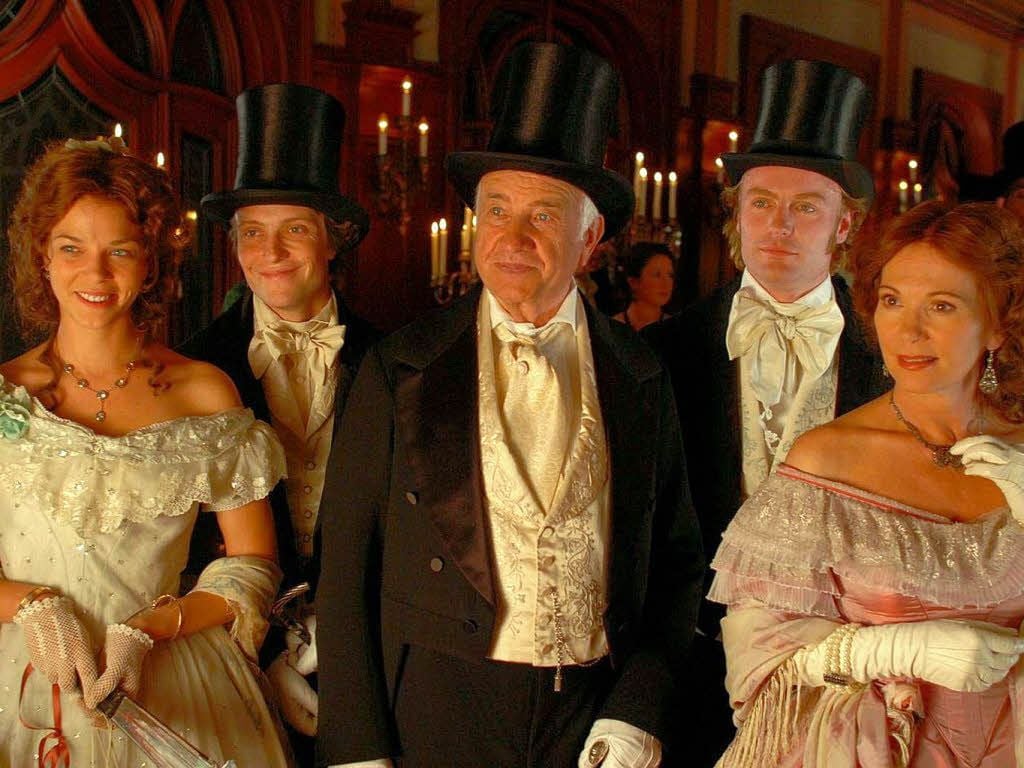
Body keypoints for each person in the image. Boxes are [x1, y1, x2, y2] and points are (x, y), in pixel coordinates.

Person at [316, 41, 703, 768]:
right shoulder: (398, 365)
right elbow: (344, 567)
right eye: (497, 210)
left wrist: (638, 709)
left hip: (593, 711)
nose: (513, 238)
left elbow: (679, 563)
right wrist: (356, 748)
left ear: (590, 240)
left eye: (544, 216)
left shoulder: (642, 371)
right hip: (435, 704)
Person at [0, 137, 289, 765]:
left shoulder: (203, 392)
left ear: (151, 263)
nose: (95, 274)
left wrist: (148, 629)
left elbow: (252, 564)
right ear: (42, 256)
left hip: (170, 677)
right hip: (17, 679)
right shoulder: (4, 391)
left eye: (120, 251)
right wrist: (29, 603)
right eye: (71, 248)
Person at [709, 200, 1024, 766]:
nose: (909, 330)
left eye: (942, 306)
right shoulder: (827, 460)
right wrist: (897, 648)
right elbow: (758, 660)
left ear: (998, 324)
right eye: (892, 300)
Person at [643, 59, 887, 766]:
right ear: (736, 213)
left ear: (845, 223)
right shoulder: (661, 353)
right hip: (688, 673)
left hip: (844, 682)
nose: (779, 225)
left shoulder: (891, 359)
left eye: (806, 206)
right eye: (761, 203)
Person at [181, 82, 377, 760]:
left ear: (333, 240)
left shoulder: (394, 362)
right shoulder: (193, 368)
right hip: (229, 656)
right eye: (252, 233)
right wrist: (261, 648)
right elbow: (177, 536)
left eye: (294, 229)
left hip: (365, 657)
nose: (271, 252)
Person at [611, 242, 675, 331]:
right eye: (657, 275)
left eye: (670, 275)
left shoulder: (675, 329)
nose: (666, 283)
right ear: (633, 282)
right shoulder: (613, 328)